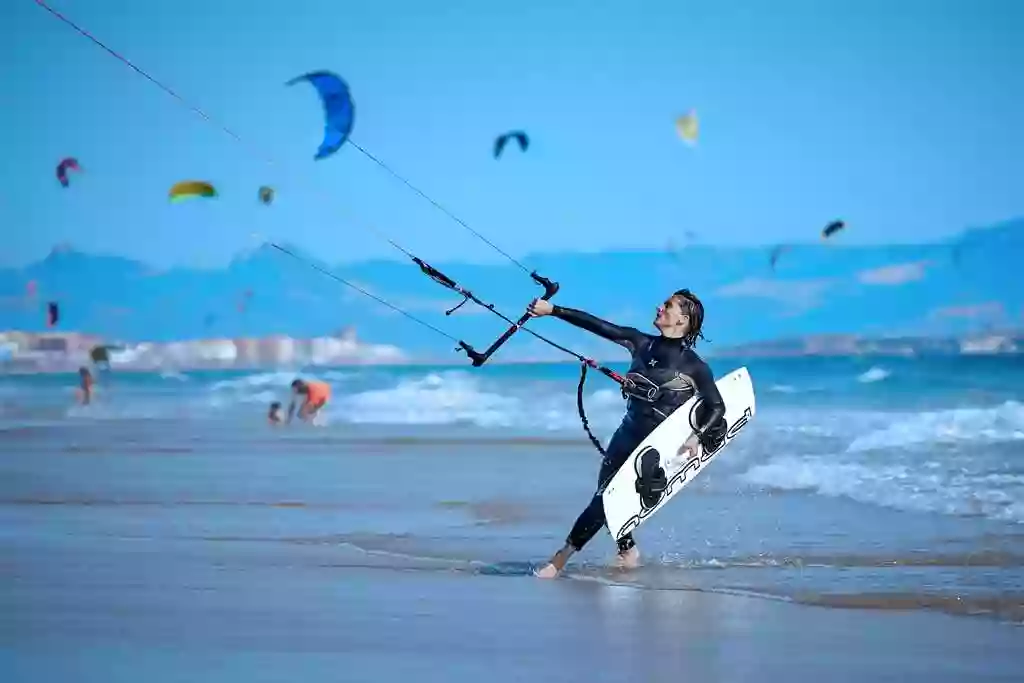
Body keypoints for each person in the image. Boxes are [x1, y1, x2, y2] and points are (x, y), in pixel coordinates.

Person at [526, 289, 726, 579]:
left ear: (682, 319)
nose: (660, 307)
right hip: (625, 433)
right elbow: (597, 325)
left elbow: (716, 407)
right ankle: (627, 549)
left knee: (605, 499)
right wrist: (553, 310)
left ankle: (559, 560)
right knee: (606, 497)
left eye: (668, 306)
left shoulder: (694, 367)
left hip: (654, 447)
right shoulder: (640, 343)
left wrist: (697, 436)